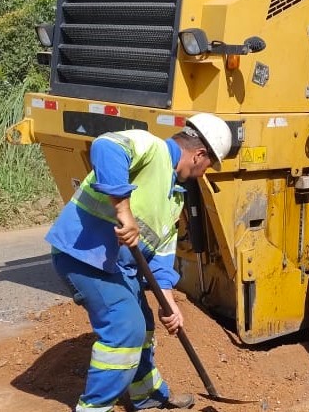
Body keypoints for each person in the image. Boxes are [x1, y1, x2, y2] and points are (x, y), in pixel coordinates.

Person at [46, 113, 232, 412]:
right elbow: (106, 147)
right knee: (126, 329)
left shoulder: (174, 198)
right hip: (84, 256)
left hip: (118, 269)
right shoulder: (151, 146)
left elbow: (161, 258)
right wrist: (124, 212)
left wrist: (168, 303)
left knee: (144, 325)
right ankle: (94, 408)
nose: (203, 172)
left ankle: (146, 394)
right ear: (199, 154)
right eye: (208, 164)